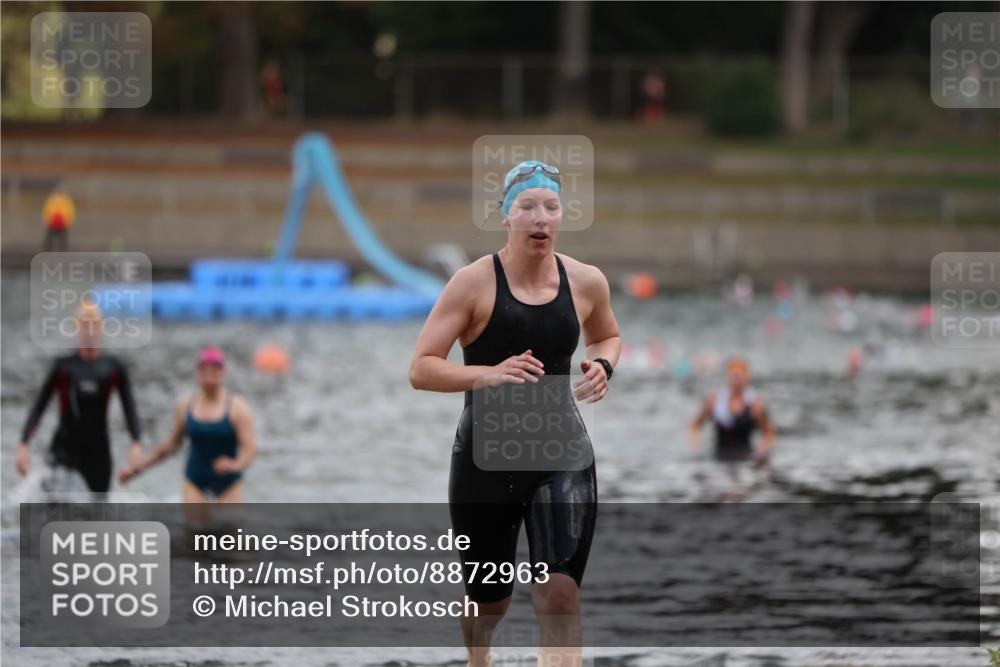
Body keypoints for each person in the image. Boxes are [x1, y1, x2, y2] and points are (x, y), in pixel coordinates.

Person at [410, 160, 621, 667]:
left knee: (559, 593)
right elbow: (421, 368)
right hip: (485, 460)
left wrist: (604, 366)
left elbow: (607, 335)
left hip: (561, 452)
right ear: (505, 216)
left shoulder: (587, 282)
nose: (540, 218)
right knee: (490, 604)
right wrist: (484, 374)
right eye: (527, 207)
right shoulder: (472, 284)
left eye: (550, 207)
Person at [17, 300, 143, 494]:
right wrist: (24, 444)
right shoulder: (63, 367)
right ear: (77, 327)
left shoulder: (114, 368)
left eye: (94, 325)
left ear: (101, 327)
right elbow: (39, 406)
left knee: (97, 515)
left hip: (99, 454)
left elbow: (130, 408)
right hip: (64, 451)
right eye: (85, 325)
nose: (90, 331)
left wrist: (136, 443)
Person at [119, 347, 255, 504]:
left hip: (229, 482)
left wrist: (234, 465)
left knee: (228, 527)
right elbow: (170, 447)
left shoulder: (238, 408)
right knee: (195, 528)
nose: (209, 375)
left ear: (222, 372)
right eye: (204, 370)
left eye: (214, 370)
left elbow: (249, 451)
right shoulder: (185, 406)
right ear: (198, 372)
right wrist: (137, 469)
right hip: (195, 479)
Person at [690, 357, 775, 465]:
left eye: (739, 376)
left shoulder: (755, 404)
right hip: (719, 457)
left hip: (745, 458)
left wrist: (762, 448)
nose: (736, 380)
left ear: (747, 378)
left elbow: (769, 433)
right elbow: (695, 425)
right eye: (733, 376)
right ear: (728, 377)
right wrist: (695, 447)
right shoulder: (715, 400)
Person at [42, 187, 76, 252]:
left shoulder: (67, 200)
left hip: (63, 222)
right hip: (52, 222)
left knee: (63, 239)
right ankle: (47, 250)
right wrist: (47, 221)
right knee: (48, 238)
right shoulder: (51, 200)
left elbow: (71, 211)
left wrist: (69, 221)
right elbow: (46, 210)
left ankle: (63, 251)